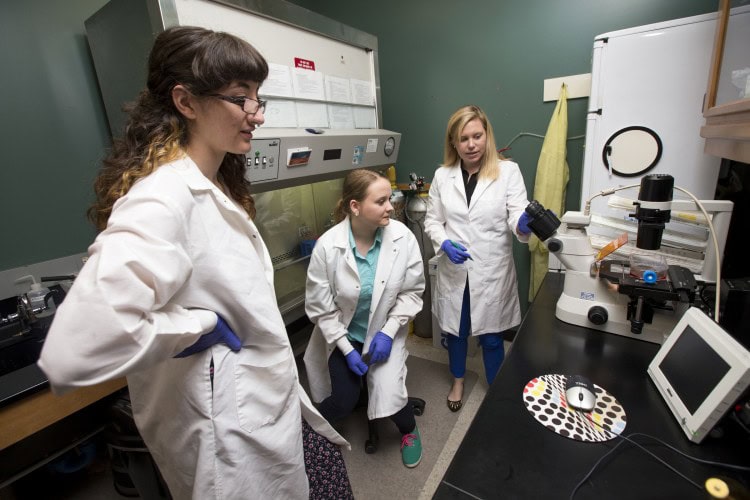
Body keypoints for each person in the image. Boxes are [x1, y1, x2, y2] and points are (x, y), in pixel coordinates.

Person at [37, 26, 353, 499]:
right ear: (186, 102)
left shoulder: (215, 182)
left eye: (258, 99)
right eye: (240, 98)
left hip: (258, 406)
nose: (256, 115)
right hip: (227, 438)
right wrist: (196, 326)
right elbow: (74, 350)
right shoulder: (162, 198)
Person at [303, 169, 426, 468]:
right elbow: (321, 308)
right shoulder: (328, 247)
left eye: (390, 199)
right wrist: (346, 349)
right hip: (343, 336)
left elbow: (412, 293)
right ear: (355, 206)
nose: (391, 207)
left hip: (385, 333)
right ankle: (309, 437)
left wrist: (389, 331)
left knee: (390, 396)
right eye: (381, 201)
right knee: (342, 400)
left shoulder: (402, 238)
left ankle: (410, 431)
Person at [424, 105, 533, 412]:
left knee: (492, 337)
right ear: (454, 143)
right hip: (456, 269)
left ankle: (494, 387)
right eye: (463, 138)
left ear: (487, 136)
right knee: (456, 333)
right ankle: (457, 381)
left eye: (477, 136)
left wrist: (523, 223)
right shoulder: (442, 176)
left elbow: (517, 214)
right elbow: (433, 221)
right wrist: (444, 243)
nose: (471, 144)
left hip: (491, 269)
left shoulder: (507, 171)